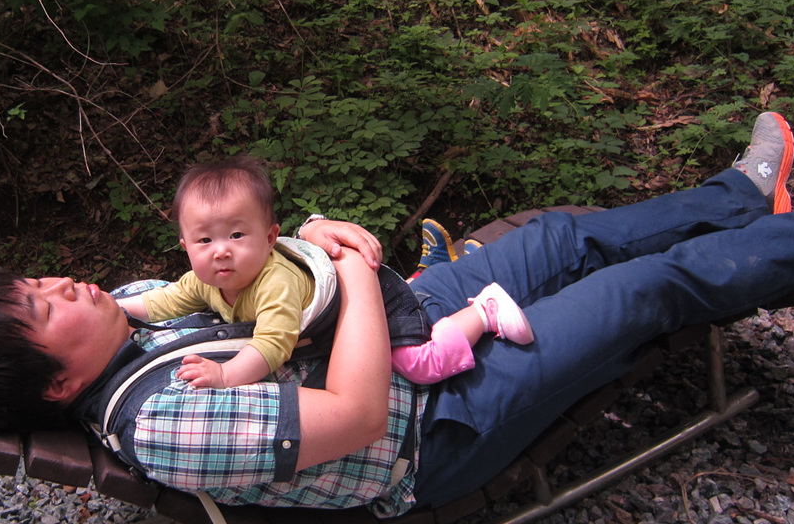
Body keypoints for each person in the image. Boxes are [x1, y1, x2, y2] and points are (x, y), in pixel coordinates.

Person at [0, 112, 794, 516]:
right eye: (41, 309)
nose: (62, 285)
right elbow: (355, 418)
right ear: (57, 382)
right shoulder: (166, 421)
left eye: (39, 281)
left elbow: (247, 266)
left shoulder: (131, 312)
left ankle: (744, 197)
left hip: (395, 328)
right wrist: (355, 272)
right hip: (428, 424)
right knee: (637, 294)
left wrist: (309, 239)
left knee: (560, 238)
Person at [115, 156, 532, 389]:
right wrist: (117, 308)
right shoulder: (204, 281)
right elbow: (161, 301)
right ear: (186, 247)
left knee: (420, 364)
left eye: (237, 235)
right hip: (343, 296)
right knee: (419, 303)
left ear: (270, 237)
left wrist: (225, 374)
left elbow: (271, 346)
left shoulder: (274, 284)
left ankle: (484, 310)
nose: (221, 250)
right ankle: (430, 273)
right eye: (204, 240)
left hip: (371, 302)